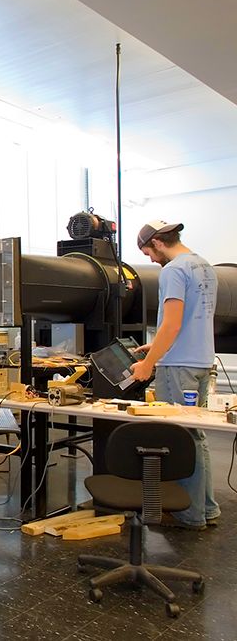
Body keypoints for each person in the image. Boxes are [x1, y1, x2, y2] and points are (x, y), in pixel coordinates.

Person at [130, 220, 219, 531]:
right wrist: (155, 346)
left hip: (177, 366)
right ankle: (206, 508)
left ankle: (189, 514)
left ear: (157, 242)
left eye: (148, 252)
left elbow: (172, 323)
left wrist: (149, 363)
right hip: (201, 362)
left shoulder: (173, 270)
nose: (152, 260)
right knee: (196, 436)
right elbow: (193, 319)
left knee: (179, 439)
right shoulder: (205, 266)